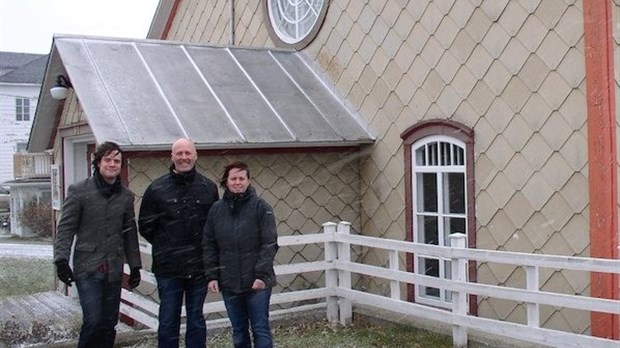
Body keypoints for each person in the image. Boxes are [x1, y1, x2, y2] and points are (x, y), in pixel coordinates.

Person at [54, 141, 142, 348]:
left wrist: (135, 265)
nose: (112, 164)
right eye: (108, 160)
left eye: (117, 161)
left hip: (113, 268)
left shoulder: (126, 196)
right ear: (98, 162)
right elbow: (66, 228)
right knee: (93, 321)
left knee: (108, 323)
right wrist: (61, 261)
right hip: (88, 267)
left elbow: (130, 233)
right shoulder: (79, 191)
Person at [138, 138, 219, 348]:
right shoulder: (156, 189)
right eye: (179, 153)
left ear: (195, 156)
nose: (184, 157)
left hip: (199, 268)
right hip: (168, 269)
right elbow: (146, 226)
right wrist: (167, 246)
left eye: (187, 153)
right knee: (168, 320)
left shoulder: (208, 188)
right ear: (172, 156)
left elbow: (213, 227)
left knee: (196, 320)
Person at [203, 161, 279, 348]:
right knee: (239, 330)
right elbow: (209, 244)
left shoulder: (261, 208)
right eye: (233, 178)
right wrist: (212, 275)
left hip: (257, 284)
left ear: (248, 181)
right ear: (226, 182)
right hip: (229, 283)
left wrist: (261, 275)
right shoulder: (216, 210)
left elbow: (269, 244)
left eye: (241, 178)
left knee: (260, 329)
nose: (238, 182)